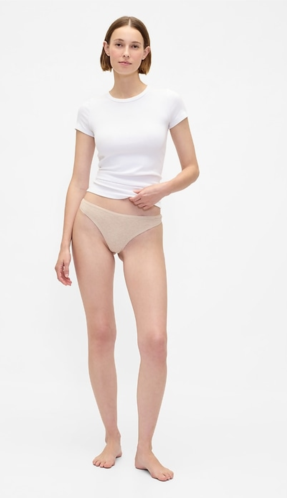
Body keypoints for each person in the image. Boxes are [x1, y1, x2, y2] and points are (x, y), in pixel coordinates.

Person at [54, 16, 199, 482]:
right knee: (101, 333)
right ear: (106, 48)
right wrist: (63, 242)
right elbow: (78, 179)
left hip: (143, 227)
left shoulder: (167, 102)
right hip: (92, 222)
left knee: (154, 339)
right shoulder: (90, 109)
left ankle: (145, 449)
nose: (126, 53)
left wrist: (162, 189)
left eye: (135, 46)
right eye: (119, 44)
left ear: (145, 53)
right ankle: (112, 436)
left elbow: (192, 168)